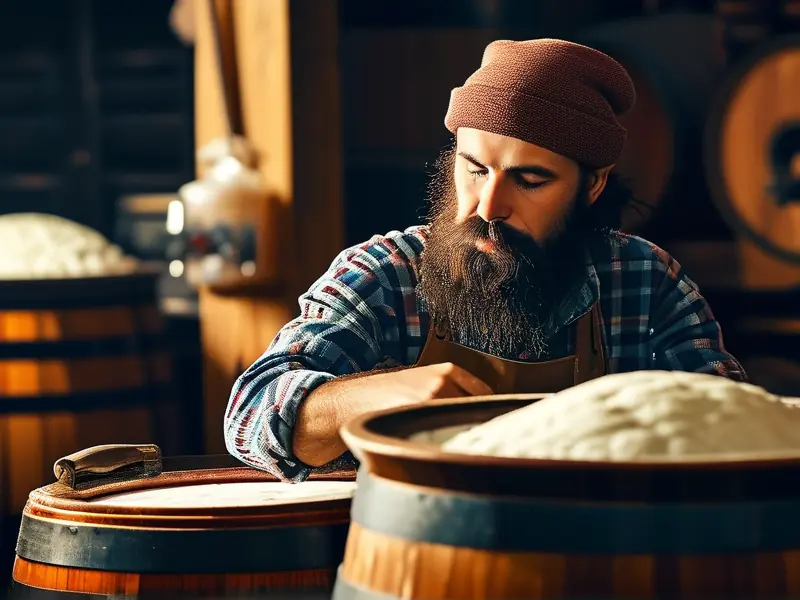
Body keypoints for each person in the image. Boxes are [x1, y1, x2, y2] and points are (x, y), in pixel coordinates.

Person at [224, 38, 747, 481]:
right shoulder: (385, 273)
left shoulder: (646, 280)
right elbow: (249, 416)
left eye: (530, 180)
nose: (489, 207)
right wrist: (375, 395)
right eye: (475, 170)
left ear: (593, 186)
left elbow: (735, 425)